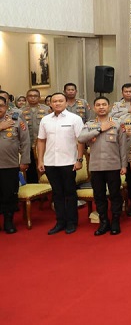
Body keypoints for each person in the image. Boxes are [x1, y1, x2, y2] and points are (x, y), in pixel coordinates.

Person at [77, 96, 127, 235]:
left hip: (113, 165)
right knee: (99, 195)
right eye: (98, 104)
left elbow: (122, 147)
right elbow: (81, 138)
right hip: (96, 166)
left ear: (109, 107)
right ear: (94, 108)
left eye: (104, 104)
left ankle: (116, 220)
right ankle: (104, 221)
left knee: (115, 194)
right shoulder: (89, 124)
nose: (101, 107)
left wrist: (124, 166)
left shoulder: (117, 124)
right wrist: (100, 129)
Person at [36, 92, 84, 235]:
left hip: (68, 162)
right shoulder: (45, 120)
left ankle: (71, 222)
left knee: (69, 193)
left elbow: (80, 140)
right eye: (54, 101)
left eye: (60, 101)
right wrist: (40, 159)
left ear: (65, 102)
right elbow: (41, 140)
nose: (57, 103)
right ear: (50, 103)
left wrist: (79, 159)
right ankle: (60, 221)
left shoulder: (75, 119)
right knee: (57, 194)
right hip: (50, 162)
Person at [0, 95, 30, 234]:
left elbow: (25, 141)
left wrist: (24, 160)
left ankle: (8, 221)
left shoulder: (16, 120)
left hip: (9, 164)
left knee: (9, 194)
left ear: (7, 107)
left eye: (1, 105)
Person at [21, 88, 51, 183]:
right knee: (31, 170)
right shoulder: (20, 111)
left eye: (35, 96)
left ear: (39, 98)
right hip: (27, 145)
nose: (33, 98)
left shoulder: (47, 110)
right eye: (30, 96)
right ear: (26, 98)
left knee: (46, 169)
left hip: (44, 145)